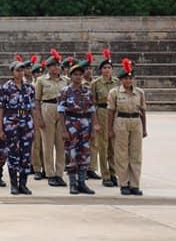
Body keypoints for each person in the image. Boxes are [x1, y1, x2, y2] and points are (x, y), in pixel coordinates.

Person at [107, 59, 148, 196]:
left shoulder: (140, 92)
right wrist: (109, 129)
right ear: (121, 80)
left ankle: (135, 184)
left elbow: (143, 111)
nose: (128, 81)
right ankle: (124, 183)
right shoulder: (114, 92)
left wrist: (145, 128)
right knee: (122, 154)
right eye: (126, 78)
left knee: (136, 155)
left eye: (131, 78)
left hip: (136, 121)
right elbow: (111, 112)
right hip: (121, 121)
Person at [58, 57, 97, 195]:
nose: (78, 76)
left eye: (80, 74)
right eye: (75, 74)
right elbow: (61, 112)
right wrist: (63, 130)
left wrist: (93, 128)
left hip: (85, 126)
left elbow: (92, 111)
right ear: (71, 76)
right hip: (71, 125)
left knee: (85, 155)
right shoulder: (65, 91)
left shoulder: (87, 91)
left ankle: (82, 183)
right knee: (72, 155)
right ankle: (73, 184)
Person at [0, 57, 35, 195]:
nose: (21, 73)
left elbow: (33, 108)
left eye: (22, 70)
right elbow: (1, 109)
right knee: (13, 154)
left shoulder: (29, 88)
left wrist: (34, 127)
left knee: (26, 155)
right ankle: (14, 184)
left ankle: (23, 184)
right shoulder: (6, 87)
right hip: (11, 123)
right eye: (18, 70)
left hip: (26, 123)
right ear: (12, 72)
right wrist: (0, 128)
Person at [35, 49, 69, 187]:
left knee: (61, 144)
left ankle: (59, 173)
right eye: (54, 65)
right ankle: (49, 173)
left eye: (58, 65)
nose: (57, 68)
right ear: (48, 68)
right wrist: (39, 118)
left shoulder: (65, 80)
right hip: (47, 108)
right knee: (47, 143)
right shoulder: (41, 80)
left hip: (61, 109)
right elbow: (37, 100)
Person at [91, 48, 118, 187]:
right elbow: (92, 104)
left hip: (114, 114)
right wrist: (95, 121)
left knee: (113, 146)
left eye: (109, 67)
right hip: (101, 112)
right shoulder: (95, 84)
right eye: (105, 68)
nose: (107, 70)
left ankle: (114, 172)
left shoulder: (117, 82)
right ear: (101, 70)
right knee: (103, 146)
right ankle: (105, 175)